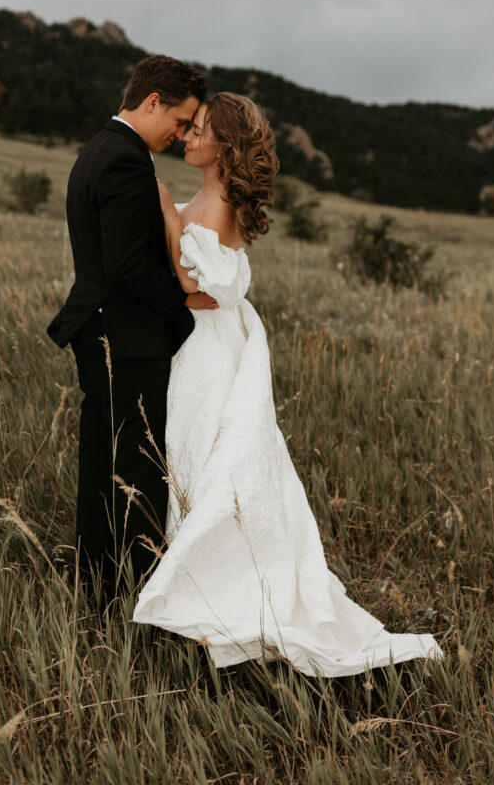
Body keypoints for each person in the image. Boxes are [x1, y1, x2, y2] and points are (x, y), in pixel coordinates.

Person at [133, 92, 444, 674]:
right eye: (188, 127)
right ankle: (201, 593)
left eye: (198, 130)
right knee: (198, 460)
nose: (186, 136)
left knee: (211, 463)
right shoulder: (203, 194)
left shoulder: (218, 200)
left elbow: (202, 288)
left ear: (224, 146)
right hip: (192, 342)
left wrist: (167, 217)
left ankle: (218, 599)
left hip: (207, 345)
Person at [47, 55, 216, 602]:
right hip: (125, 340)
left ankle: (96, 585)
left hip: (101, 335)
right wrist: (183, 304)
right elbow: (126, 269)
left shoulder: (100, 148)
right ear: (151, 103)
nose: (182, 133)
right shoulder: (125, 160)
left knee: (102, 466)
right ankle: (136, 595)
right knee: (139, 473)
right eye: (181, 120)